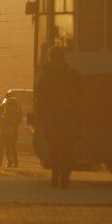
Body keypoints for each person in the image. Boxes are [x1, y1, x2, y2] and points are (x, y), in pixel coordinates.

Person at [36, 44, 81, 189]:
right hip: (68, 118)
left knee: (53, 149)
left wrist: (42, 117)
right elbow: (78, 96)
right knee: (67, 149)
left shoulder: (46, 74)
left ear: (50, 57)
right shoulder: (70, 74)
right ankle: (65, 176)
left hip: (52, 118)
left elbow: (40, 95)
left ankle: (55, 175)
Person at [0, 92, 22, 168]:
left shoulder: (4, 105)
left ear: (5, 97)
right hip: (14, 129)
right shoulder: (17, 106)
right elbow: (20, 118)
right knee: (13, 146)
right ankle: (15, 162)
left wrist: (1, 127)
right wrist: (15, 124)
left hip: (5, 129)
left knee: (7, 146)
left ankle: (9, 162)